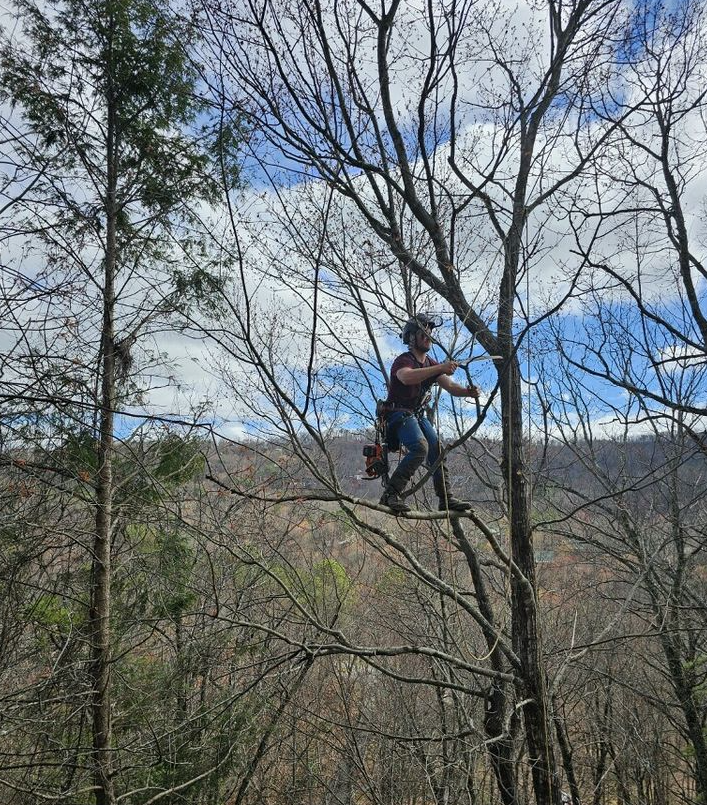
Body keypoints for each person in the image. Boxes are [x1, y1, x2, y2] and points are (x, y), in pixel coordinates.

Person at [379, 314, 480, 514]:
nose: (428, 337)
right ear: (411, 338)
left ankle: (445, 498)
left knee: (437, 448)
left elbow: (450, 386)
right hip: (397, 414)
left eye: (429, 333)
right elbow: (406, 378)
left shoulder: (430, 363)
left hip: (416, 416)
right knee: (420, 447)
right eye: (423, 333)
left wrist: (467, 392)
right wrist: (440, 367)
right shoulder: (403, 361)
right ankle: (391, 494)